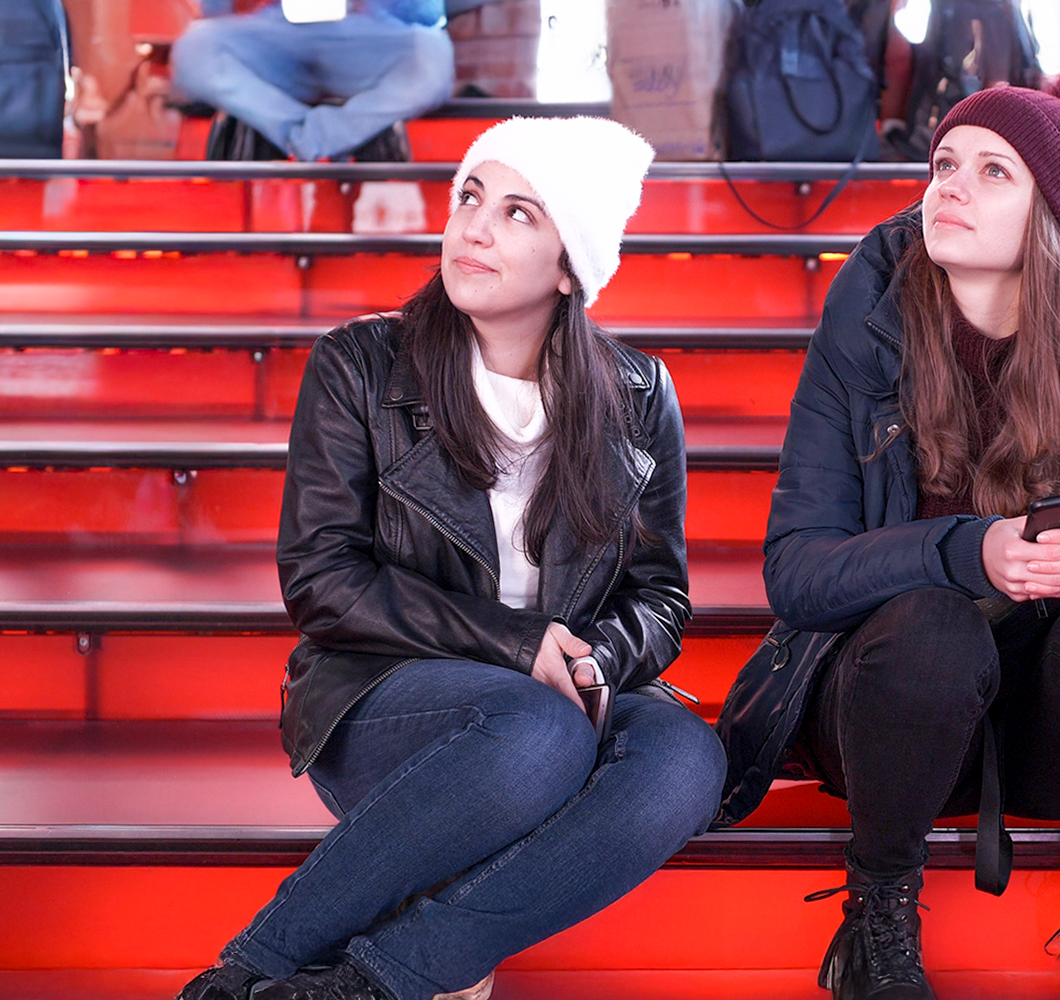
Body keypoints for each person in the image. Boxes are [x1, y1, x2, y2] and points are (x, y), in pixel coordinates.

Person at [715, 67, 1060, 1000]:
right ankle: (877, 921)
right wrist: (964, 550)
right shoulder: (866, 326)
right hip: (890, 717)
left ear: (1051, 216)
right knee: (932, 623)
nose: (948, 188)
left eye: (991, 171)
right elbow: (796, 573)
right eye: (942, 164)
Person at [177, 116, 725, 1000]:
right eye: (470, 196)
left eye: (518, 213)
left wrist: (594, 666)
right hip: (380, 699)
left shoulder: (636, 394)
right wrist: (518, 647)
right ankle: (252, 970)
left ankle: (374, 981)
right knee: (532, 730)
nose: (474, 226)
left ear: (569, 264)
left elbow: (660, 594)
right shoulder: (362, 364)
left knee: (684, 759)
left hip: (552, 703)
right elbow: (320, 580)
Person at [170, 0, 454, 161]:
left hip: (367, 35)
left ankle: (325, 136)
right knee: (196, 45)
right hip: (276, 35)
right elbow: (215, 11)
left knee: (434, 54)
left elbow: (426, 17)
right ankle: (296, 132)